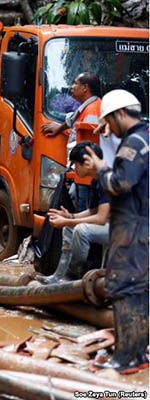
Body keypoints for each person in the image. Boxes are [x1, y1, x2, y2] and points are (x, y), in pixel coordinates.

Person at [83, 90, 148, 374]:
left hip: (132, 227)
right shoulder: (144, 136)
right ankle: (138, 354)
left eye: (110, 120)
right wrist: (107, 135)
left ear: (120, 114)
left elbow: (120, 183)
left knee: (123, 290)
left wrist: (99, 169)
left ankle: (125, 358)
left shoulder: (134, 142)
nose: (108, 126)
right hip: (141, 225)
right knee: (139, 290)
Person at [42, 73, 120, 211]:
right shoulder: (88, 107)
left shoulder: (92, 110)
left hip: (87, 178)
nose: (71, 87)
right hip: (84, 175)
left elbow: (89, 140)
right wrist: (60, 128)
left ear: (85, 88)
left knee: (83, 214)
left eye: (75, 83)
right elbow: (73, 122)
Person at [37, 141, 110, 284]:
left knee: (81, 230)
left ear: (86, 163)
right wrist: (70, 217)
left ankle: (76, 276)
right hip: (111, 224)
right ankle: (60, 276)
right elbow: (94, 211)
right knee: (70, 228)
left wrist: (68, 221)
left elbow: (101, 218)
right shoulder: (96, 181)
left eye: (76, 164)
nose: (74, 169)